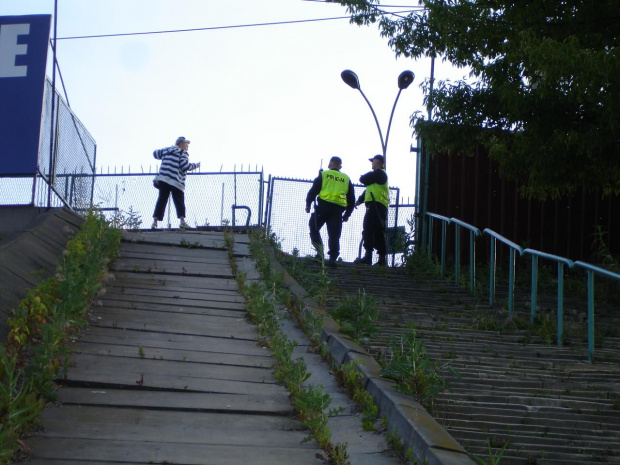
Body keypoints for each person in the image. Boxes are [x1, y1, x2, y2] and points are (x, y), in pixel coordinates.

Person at [305, 156, 355, 267]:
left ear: (329, 165)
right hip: (337, 211)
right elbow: (351, 200)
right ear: (340, 166)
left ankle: (319, 253)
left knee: (314, 227)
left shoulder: (324, 175)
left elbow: (313, 191)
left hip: (323, 207)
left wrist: (308, 204)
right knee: (334, 235)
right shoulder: (346, 179)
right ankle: (332, 259)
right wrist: (347, 214)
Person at [151, 136, 201, 229]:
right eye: (186, 144)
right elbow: (184, 166)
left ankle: (155, 222)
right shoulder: (183, 153)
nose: (187, 146)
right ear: (181, 143)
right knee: (179, 201)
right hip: (175, 181)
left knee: (162, 200)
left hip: (164, 178)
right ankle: (182, 221)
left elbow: (155, 154)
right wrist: (195, 165)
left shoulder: (168, 149)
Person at [355, 154, 389, 266]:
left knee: (368, 229)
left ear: (379, 162)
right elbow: (368, 191)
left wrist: (363, 176)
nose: (371, 163)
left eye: (373, 161)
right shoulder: (377, 177)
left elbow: (363, 179)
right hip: (379, 206)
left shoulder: (379, 173)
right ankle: (382, 259)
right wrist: (359, 201)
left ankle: (368, 256)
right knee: (378, 231)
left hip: (376, 205)